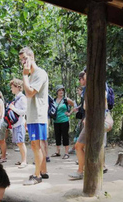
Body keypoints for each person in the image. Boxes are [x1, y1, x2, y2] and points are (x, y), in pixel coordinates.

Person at [19, 47, 49, 185]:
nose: (23, 62)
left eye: (25, 58)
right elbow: (28, 97)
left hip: (38, 115)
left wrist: (24, 76)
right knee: (36, 144)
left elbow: (30, 93)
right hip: (32, 115)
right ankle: (42, 171)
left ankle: (37, 176)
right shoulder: (32, 75)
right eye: (21, 60)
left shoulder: (39, 73)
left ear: (32, 57)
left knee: (35, 144)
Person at [8, 78, 28, 168]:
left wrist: (13, 108)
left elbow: (24, 111)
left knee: (21, 142)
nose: (11, 89)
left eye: (12, 87)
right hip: (15, 124)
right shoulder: (16, 98)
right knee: (18, 143)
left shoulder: (22, 98)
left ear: (18, 87)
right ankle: (22, 160)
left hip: (20, 123)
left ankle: (24, 161)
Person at [51, 85, 75, 159]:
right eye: (59, 90)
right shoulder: (54, 100)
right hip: (56, 121)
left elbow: (74, 105)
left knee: (65, 136)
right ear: (57, 92)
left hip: (64, 121)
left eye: (62, 90)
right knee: (57, 136)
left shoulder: (66, 100)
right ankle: (58, 152)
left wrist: (69, 113)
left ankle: (66, 153)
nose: (61, 91)